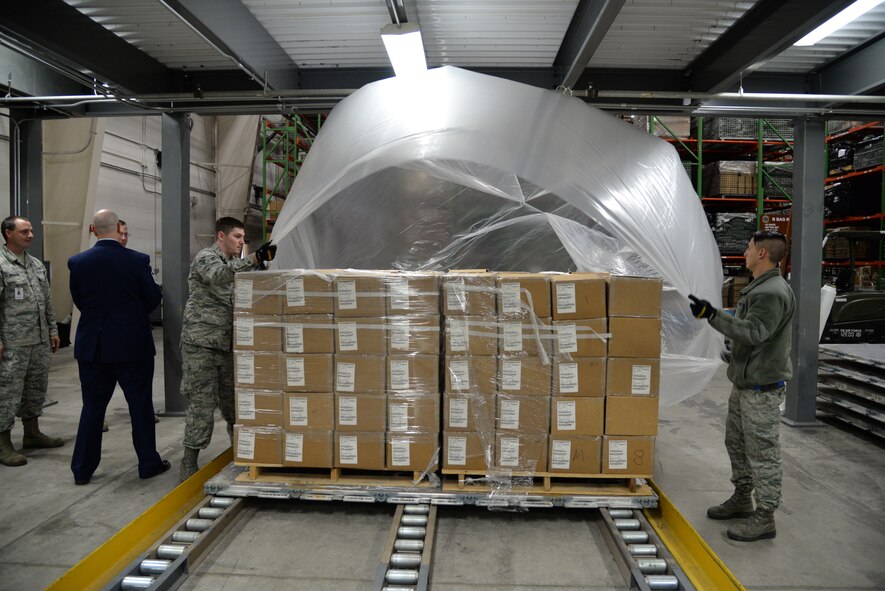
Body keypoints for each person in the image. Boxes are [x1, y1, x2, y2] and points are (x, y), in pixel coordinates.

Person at [689, 230, 795, 542]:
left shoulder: (771, 292)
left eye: (748, 248)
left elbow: (756, 332)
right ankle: (742, 497)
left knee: (762, 452)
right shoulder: (759, 287)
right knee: (736, 443)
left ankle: (765, 516)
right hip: (746, 383)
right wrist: (730, 342)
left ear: (762, 253)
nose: (744, 252)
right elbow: (749, 328)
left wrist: (713, 316)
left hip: (761, 388)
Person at [68, 209, 169, 484]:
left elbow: (79, 300)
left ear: (93, 229)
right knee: (140, 405)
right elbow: (152, 298)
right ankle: (148, 462)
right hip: (131, 345)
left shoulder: (77, 262)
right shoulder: (136, 260)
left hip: (93, 346)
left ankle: (82, 469)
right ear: (117, 229)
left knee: (92, 407)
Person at [179, 217, 276, 480]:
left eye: (243, 238)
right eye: (236, 236)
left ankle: (242, 452)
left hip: (229, 344)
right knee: (202, 404)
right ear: (221, 236)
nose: (241, 242)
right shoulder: (206, 258)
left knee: (235, 405)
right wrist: (254, 258)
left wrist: (262, 268)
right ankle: (189, 462)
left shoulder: (236, 265)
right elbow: (219, 277)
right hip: (202, 345)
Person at [0, 216, 63, 466]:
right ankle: (3, 442)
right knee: (8, 392)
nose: (30, 235)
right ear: (8, 233)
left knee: (36, 388)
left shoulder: (36, 265)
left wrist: (53, 330)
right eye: (24, 231)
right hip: (13, 343)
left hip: (38, 340)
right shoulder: (2, 264)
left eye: (31, 231)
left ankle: (32, 433)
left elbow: (46, 299)